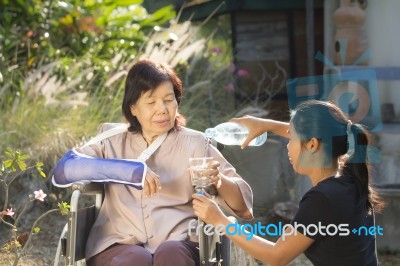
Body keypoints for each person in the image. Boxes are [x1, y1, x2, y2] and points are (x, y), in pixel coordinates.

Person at [53, 59, 253, 265]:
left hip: (180, 241)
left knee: (171, 253)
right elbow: (65, 168)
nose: (162, 109)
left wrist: (218, 180)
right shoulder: (110, 139)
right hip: (117, 242)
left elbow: (244, 207)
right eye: (150, 102)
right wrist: (132, 171)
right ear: (133, 108)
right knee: (134, 260)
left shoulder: (196, 143)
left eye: (168, 99)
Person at [192, 100, 384, 266]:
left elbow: (276, 256)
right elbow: (313, 134)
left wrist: (221, 221)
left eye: (291, 138)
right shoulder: (350, 182)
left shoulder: (322, 199)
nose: (287, 144)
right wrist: (266, 125)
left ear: (312, 145)